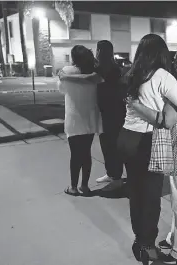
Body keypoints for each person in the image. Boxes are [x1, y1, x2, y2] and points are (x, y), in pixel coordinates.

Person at [117, 34, 177, 265]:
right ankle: (147, 247)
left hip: (126, 137)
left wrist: (138, 107)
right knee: (151, 197)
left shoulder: (132, 74)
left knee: (136, 193)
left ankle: (140, 240)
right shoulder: (163, 76)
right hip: (146, 140)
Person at [58, 45, 104, 196]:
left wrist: (65, 78)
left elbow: (61, 89)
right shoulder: (93, 71)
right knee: (86, 153)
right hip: (90, 117)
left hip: (74, 117)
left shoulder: (66, 71)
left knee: (75, 154)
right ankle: (84, 186)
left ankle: (73, 187)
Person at [93, 41, 126, 191]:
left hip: (110, 113)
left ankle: (116, 178)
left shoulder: (103, 70)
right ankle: (112, 174)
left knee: (110, 146)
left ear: (99, 51)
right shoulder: (115, 69)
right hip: (113, 112)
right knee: (108, 145)